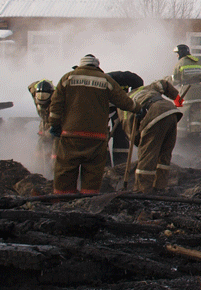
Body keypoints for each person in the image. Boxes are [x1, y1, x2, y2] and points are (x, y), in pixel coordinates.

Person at [47, 54, 139, 195]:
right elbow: (124, 101)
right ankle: (88, 198)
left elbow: (56, 104)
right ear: (97, 66)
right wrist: (138, 108)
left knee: (66, 168)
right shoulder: (105, 80)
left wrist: (54, 124)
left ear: (80, 65)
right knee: (93, 169)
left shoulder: (68, 78)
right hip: (96, 136)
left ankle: (62, 199)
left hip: (71, 134)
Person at [121, 79, 184, 191]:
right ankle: (160, 186)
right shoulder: (148, 88)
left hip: (154, 113)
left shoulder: (125, 102)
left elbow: (128, 125)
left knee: (147, 156)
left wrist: (140, 143)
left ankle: (142, 189)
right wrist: (178, 100)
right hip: (171, 112)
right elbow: (164, 84)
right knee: (164, 153)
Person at [105, 71, 144, 175]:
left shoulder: (125, 77)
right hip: (103, 107)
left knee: (121, 132)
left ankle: (121, 165)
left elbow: (139, 82)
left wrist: (132, 96)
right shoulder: (100, 84)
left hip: (121, 106)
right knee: (102, 135)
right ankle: (105, 167)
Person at [172, 44, 201, 128]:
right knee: (195, 114)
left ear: (180, 53)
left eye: (177, 53)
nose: (177, 55)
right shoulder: (197, 61)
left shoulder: (180, 63)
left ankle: (181, 134)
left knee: (182, 113)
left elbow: (175, 81)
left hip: (186, 92)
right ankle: (195, 133)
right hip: (199, 92)